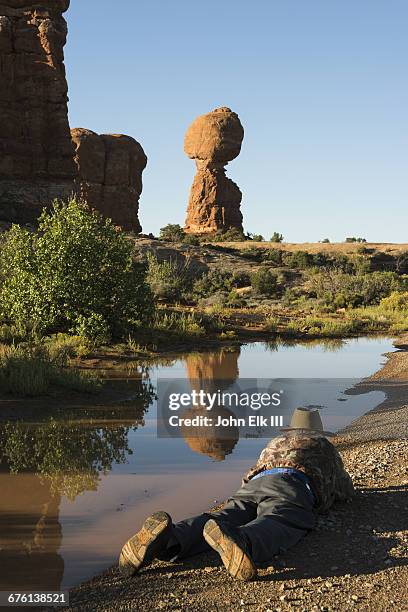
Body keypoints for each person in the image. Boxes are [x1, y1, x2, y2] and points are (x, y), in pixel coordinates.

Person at [119, 407, 355, 581]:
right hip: (291, 484)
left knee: (225, 515)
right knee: (280, 518)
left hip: (253, 484)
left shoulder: (275, 442)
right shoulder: (323, 446)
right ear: (319, 430)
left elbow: (251, 473)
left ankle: (169, 539)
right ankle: (244, 540)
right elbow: (344, 490)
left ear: (291, 428)